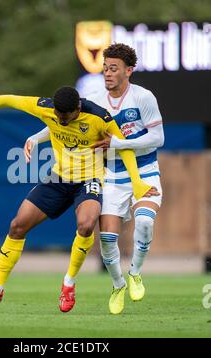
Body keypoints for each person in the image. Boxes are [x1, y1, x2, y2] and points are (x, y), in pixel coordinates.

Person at [0, 86, 156, 313]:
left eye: (64, 116)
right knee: (17, 225)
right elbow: (9, 99)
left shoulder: (100, 117)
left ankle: (69, 283)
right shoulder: (47, 108)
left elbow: (125, 148)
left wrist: (137, 183)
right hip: (58, 178)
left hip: (89, 180)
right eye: (57, 114)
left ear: (77, 109)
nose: (60, 119)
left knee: (87, 225)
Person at [24, 43, 164, 315]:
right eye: (105, 68)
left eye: (114, 68)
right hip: (110, 175)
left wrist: (119, 143)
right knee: (108, 239)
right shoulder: (94, 98)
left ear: (129, 71)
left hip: (145, 170)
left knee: (145, 223)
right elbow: (64, 121)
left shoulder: (144, 98)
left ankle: (135, 273)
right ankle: (118, 284)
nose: (108, 73)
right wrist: (36, 137)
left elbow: (158, 138)